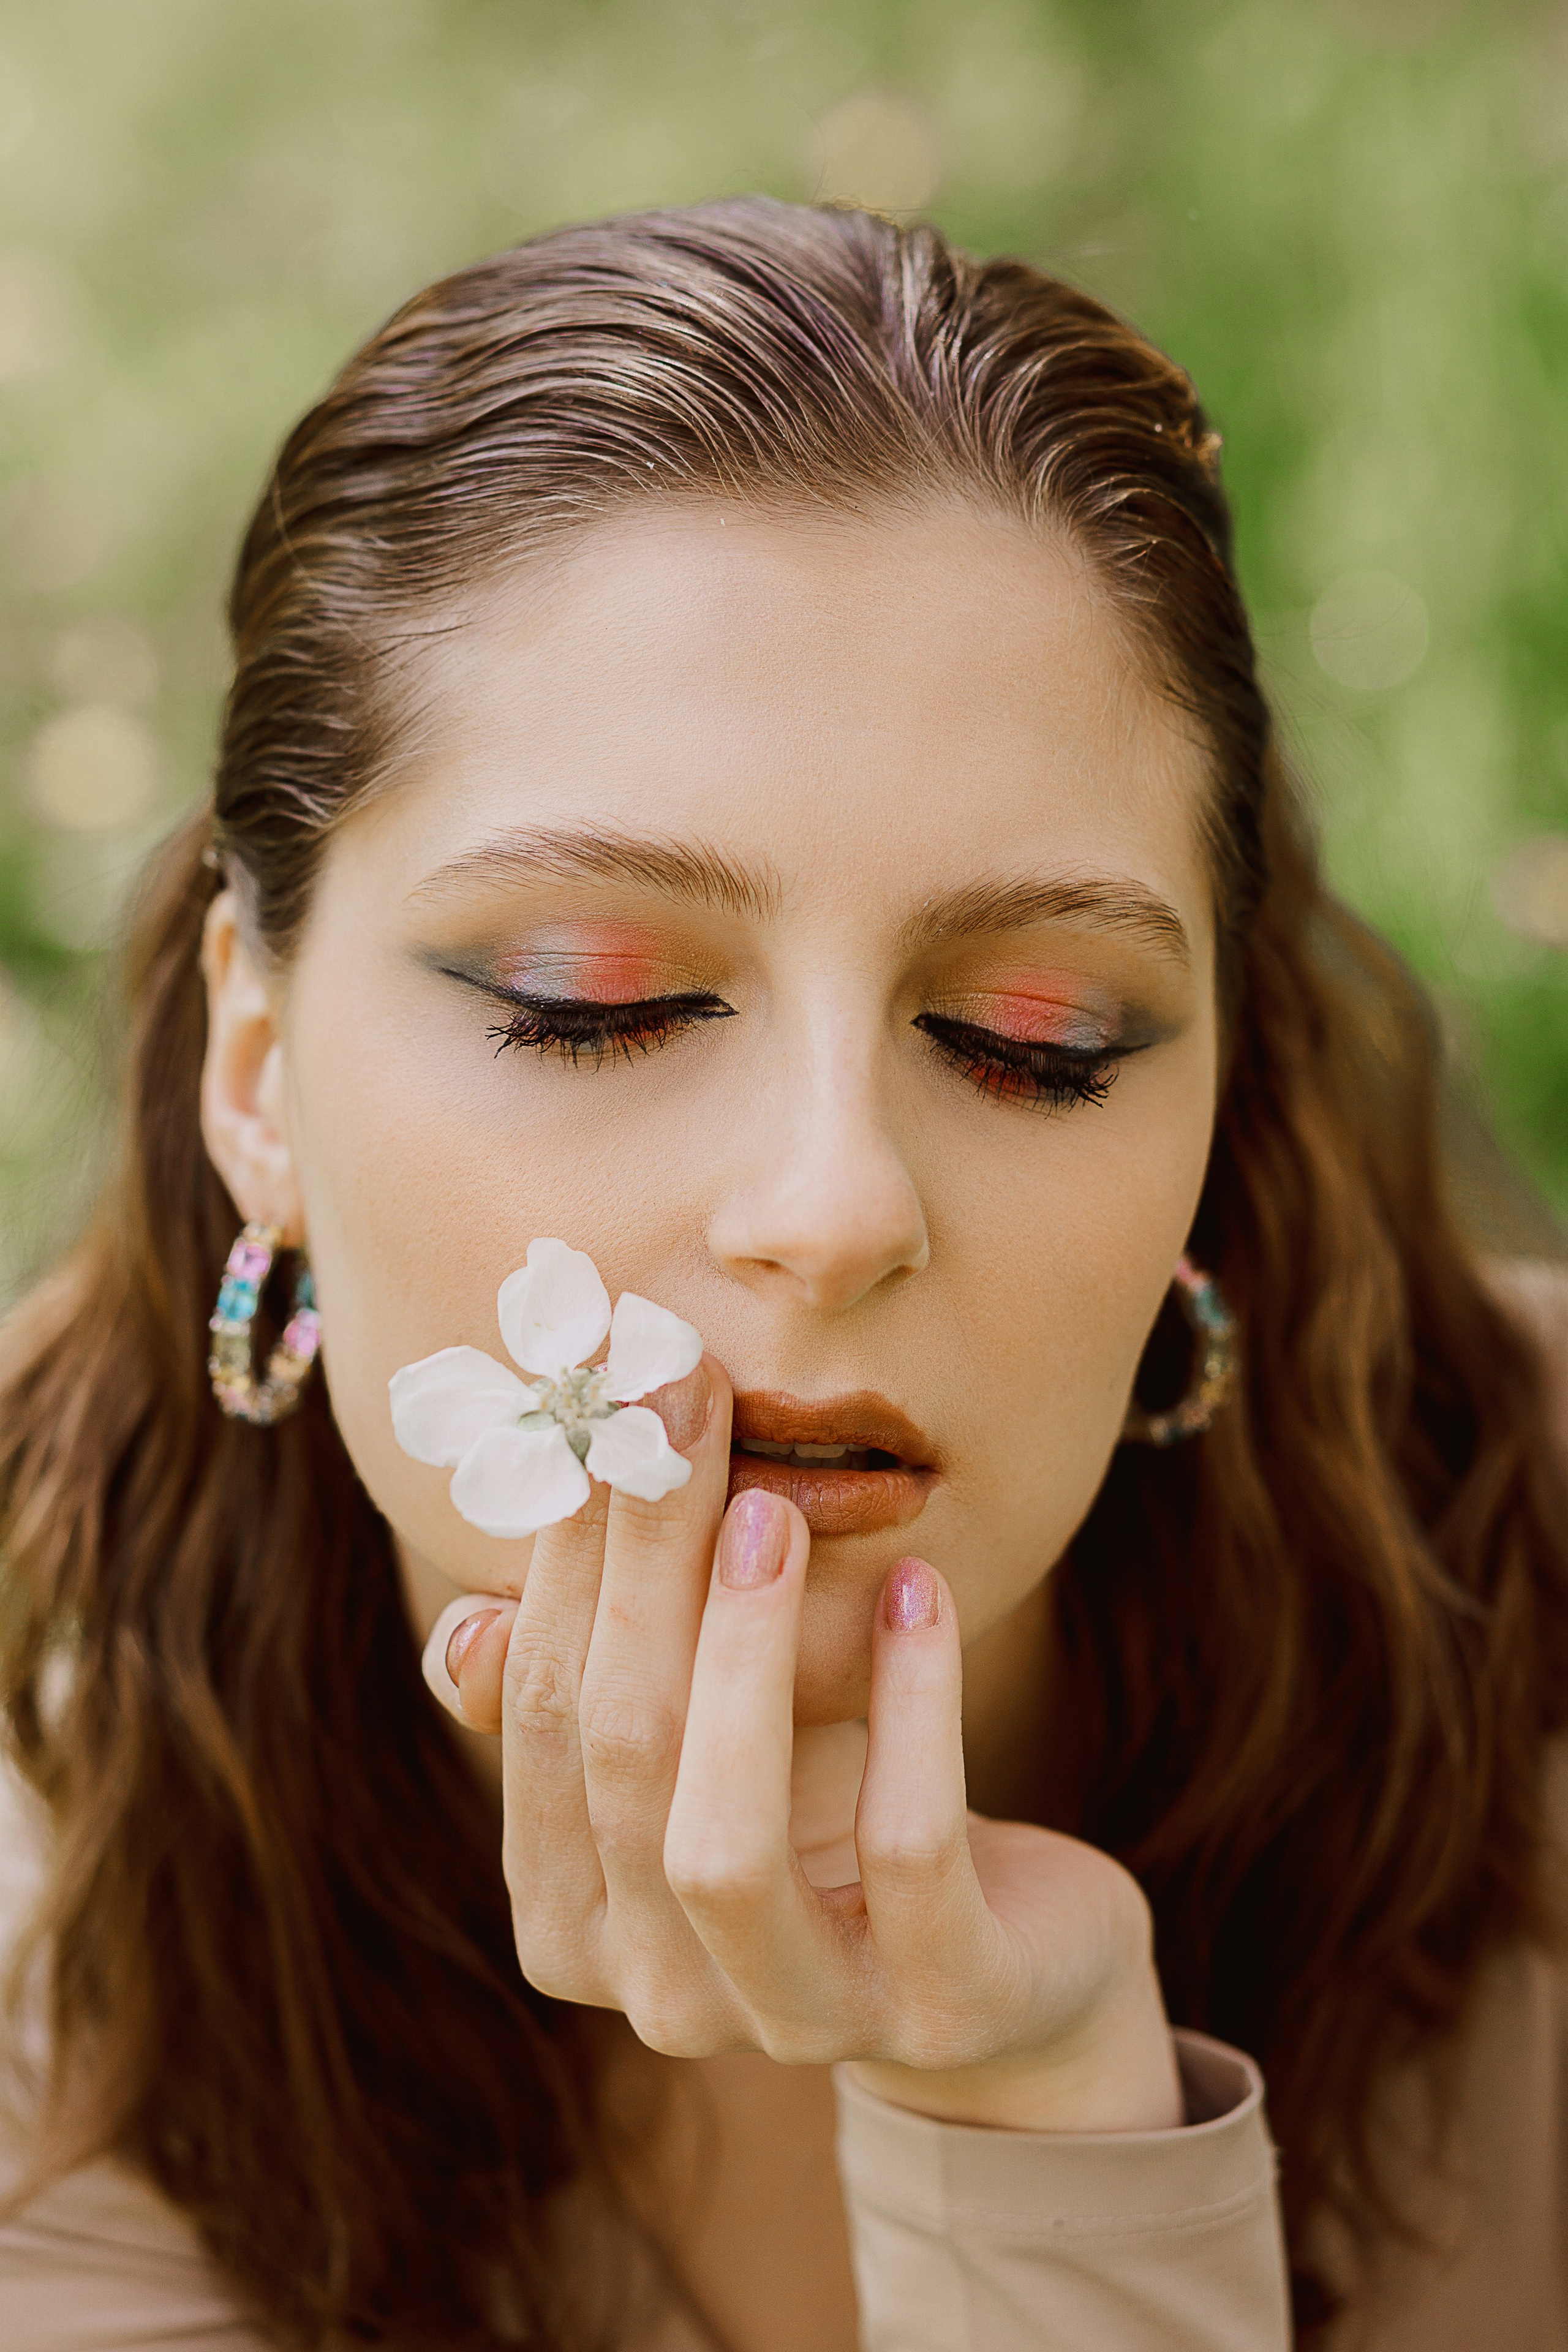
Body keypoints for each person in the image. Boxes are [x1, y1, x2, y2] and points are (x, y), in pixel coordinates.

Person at [1, 197, 1565, 2352]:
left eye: (1039, 1038)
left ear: (1210, 1120)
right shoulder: (45, 1981)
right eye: (593, 999)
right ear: (256, 1076)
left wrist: (1047, 2108)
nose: (832, 1207)